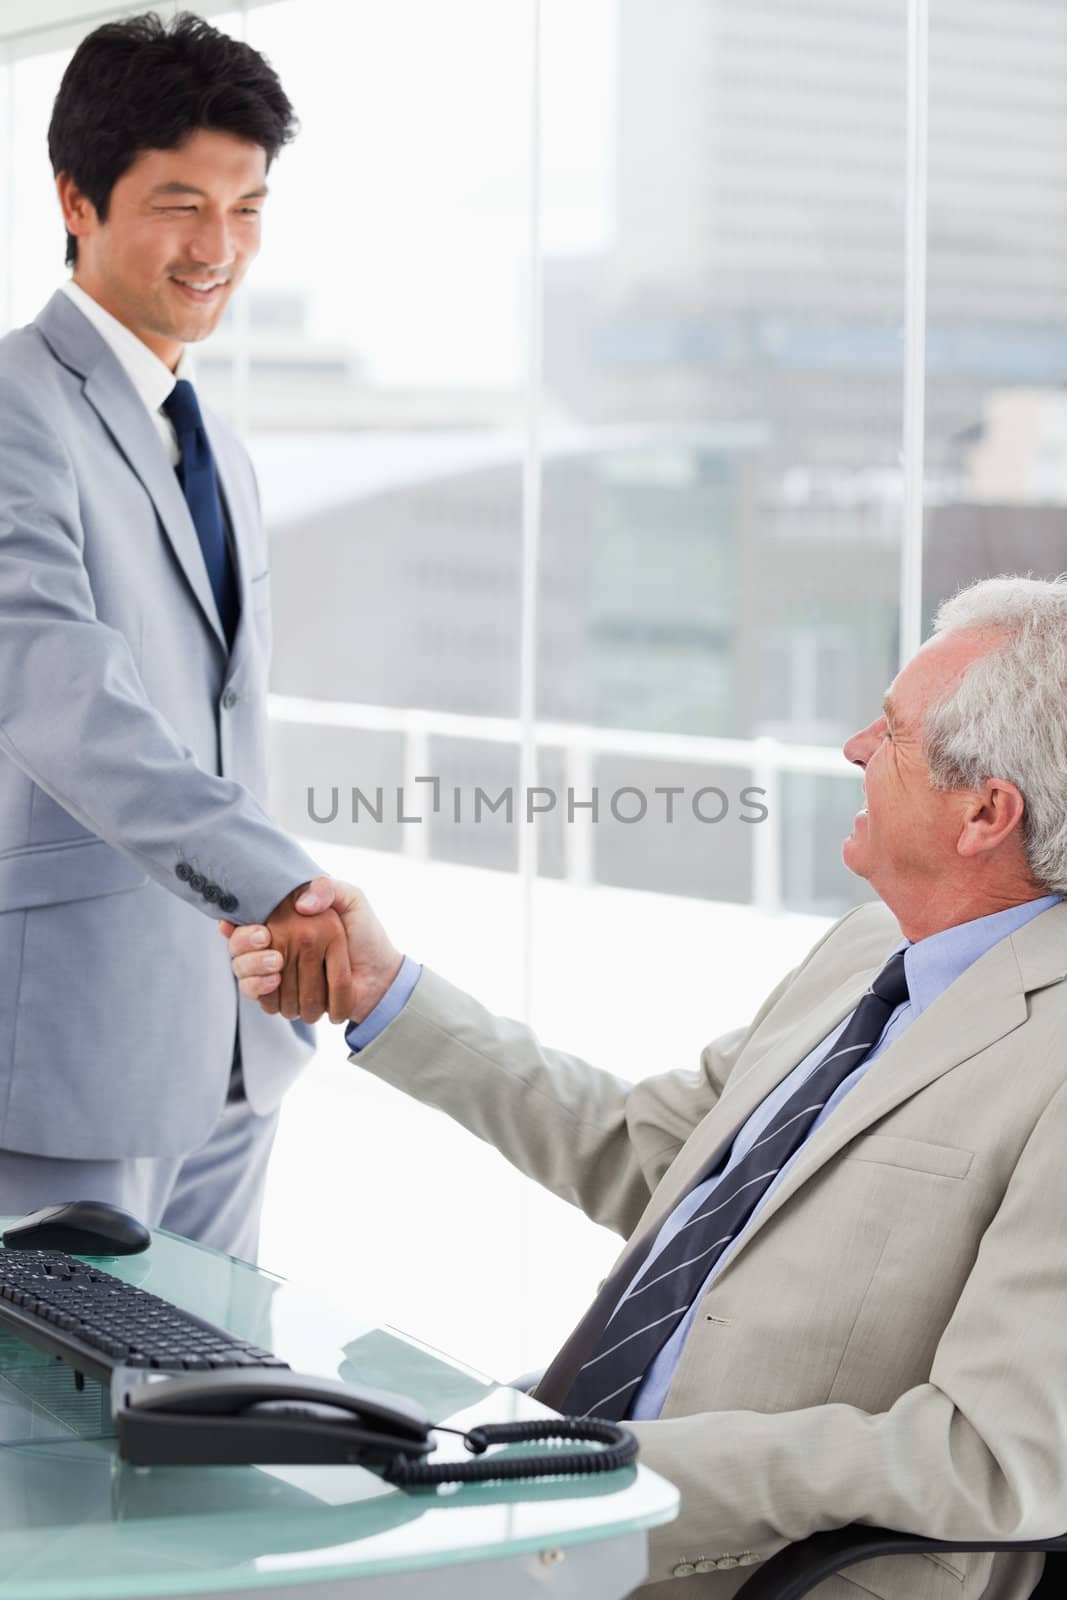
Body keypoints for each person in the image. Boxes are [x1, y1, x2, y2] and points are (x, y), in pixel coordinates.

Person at [225, 573, 1067, 1600]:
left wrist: (610, 1472)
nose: (851, 748)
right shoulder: (864, 948)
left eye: (886, 733)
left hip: (715, 1563)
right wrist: (380, 992)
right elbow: (645, 1154)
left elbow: (989, 1459)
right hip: (540, 1495)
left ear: (985, 810)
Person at [0, 11, 360, 1262]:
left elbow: (219, 717)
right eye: (178, 204)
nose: (219, 248)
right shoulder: (14, 411)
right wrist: (277, 879)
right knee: (49, 1435)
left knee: (211, 1413)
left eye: (248, 207)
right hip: (71, 1040)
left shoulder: (215, 443)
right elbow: (60, 695)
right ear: (76, 199)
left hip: (236, 1037)